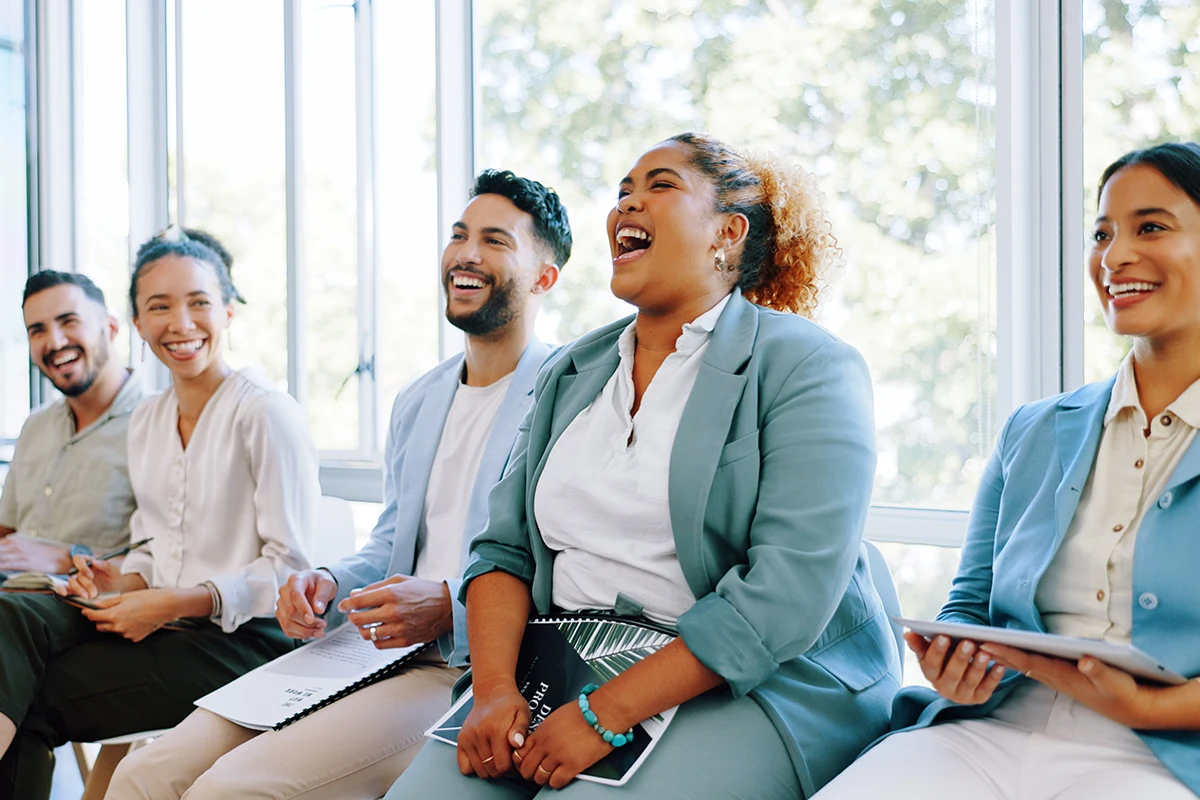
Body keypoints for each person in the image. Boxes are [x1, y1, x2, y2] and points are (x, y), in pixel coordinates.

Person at [384, 133, 900, 800]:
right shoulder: (573, 370)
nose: (627, 203)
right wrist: (492, 693)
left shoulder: (807, 365)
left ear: (728, 234)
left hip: (746, 679)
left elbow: (787, 591)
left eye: (660, 186)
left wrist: (606, 714)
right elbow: (502, 551)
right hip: (564, 661)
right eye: (623, 190)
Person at [106, 169, 572, 800]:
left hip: (469, 667)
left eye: (495, 240)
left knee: (229, 790)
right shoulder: (419, 398)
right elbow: (388, 546)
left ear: (545, 276)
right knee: (144, 773)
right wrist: (327, 582)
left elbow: (568, 572)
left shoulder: (566, 398)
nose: (466, 252)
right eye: (459, 234)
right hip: (367, 651)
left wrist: (447, 603)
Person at [813, 143, 1200, 800]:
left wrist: (1149, 710)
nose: (1114, 257)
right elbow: (969, 606)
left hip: (1158, 758)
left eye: (1150, 227)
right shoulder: (1035, 429)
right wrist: (959, 670)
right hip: (990, 732)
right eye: (1101, 233)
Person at [0, 227, 319, 799]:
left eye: (199, 302)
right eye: (159, 307)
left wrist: (172, 601)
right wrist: (120, 577)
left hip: (251, 645)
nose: (181, 322)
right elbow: (151, 543)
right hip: (169, 630)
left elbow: (290, 571)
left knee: (21, 689)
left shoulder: (266, 412)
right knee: (13, 681)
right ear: (139, 325)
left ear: (227, 310)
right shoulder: (149, 419)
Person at [0, 271, 146, 574]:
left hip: (85, 608)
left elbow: (171, 560)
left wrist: (67, 557)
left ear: (111, 327)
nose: (54, 342)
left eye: (69, 321)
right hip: (13, 595)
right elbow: (7, 531)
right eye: (37, 330)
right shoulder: (35, 425)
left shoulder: (158, 422)